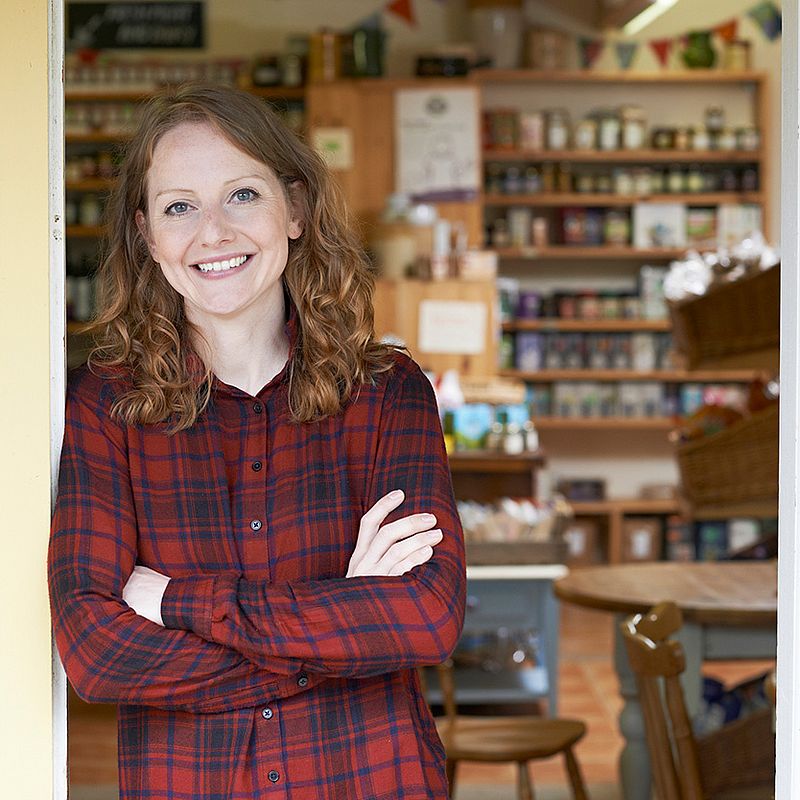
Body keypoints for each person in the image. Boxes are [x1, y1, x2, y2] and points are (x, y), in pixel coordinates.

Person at [48, 83, 466, 800]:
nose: (213, 233)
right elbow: (96, 653)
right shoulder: (106, 406)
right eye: (179, 207)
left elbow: (426, 617)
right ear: (148, 235)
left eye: (242, 195)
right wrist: (343, 616)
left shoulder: (387, 392)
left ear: (295, 209)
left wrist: (179, 603)